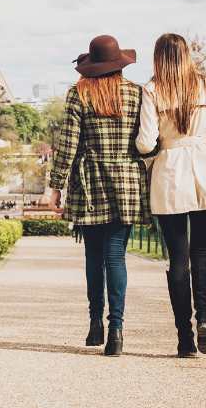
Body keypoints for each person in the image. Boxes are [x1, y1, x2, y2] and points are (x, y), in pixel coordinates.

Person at [48, 35, 149, 357]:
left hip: (90, 182)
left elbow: (68, 144)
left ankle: (95, 324)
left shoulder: (78, 94)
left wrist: (56, 184)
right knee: (116, 255)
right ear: (119, 64)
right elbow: (149, 140)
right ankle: (116, 328)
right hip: (126, 181)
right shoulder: (136, 94)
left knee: (94, 257)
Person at [136, 33, 206, 358]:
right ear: (188, 54)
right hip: (205, 169)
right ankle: (205, 319)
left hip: (170, 172)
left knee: (178, 257)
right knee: (203, 252)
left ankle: (184, 338)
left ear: (158, 57)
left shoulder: (151, 89)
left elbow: (146, 143)